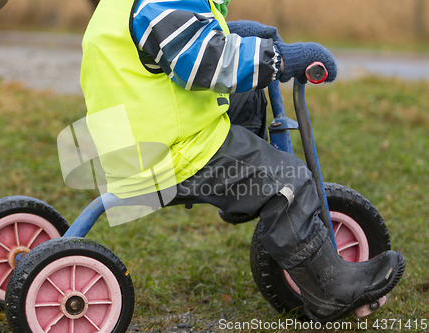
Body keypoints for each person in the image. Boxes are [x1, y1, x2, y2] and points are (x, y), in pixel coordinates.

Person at [80, 0, 405, 322]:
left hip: (138, 135)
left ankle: (243, 197)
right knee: (286, 180)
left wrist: (231, 33)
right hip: (172, 151)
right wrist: (278, 58)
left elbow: (164, 43)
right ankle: (331, 291)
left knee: (246, 92)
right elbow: (205, 61)